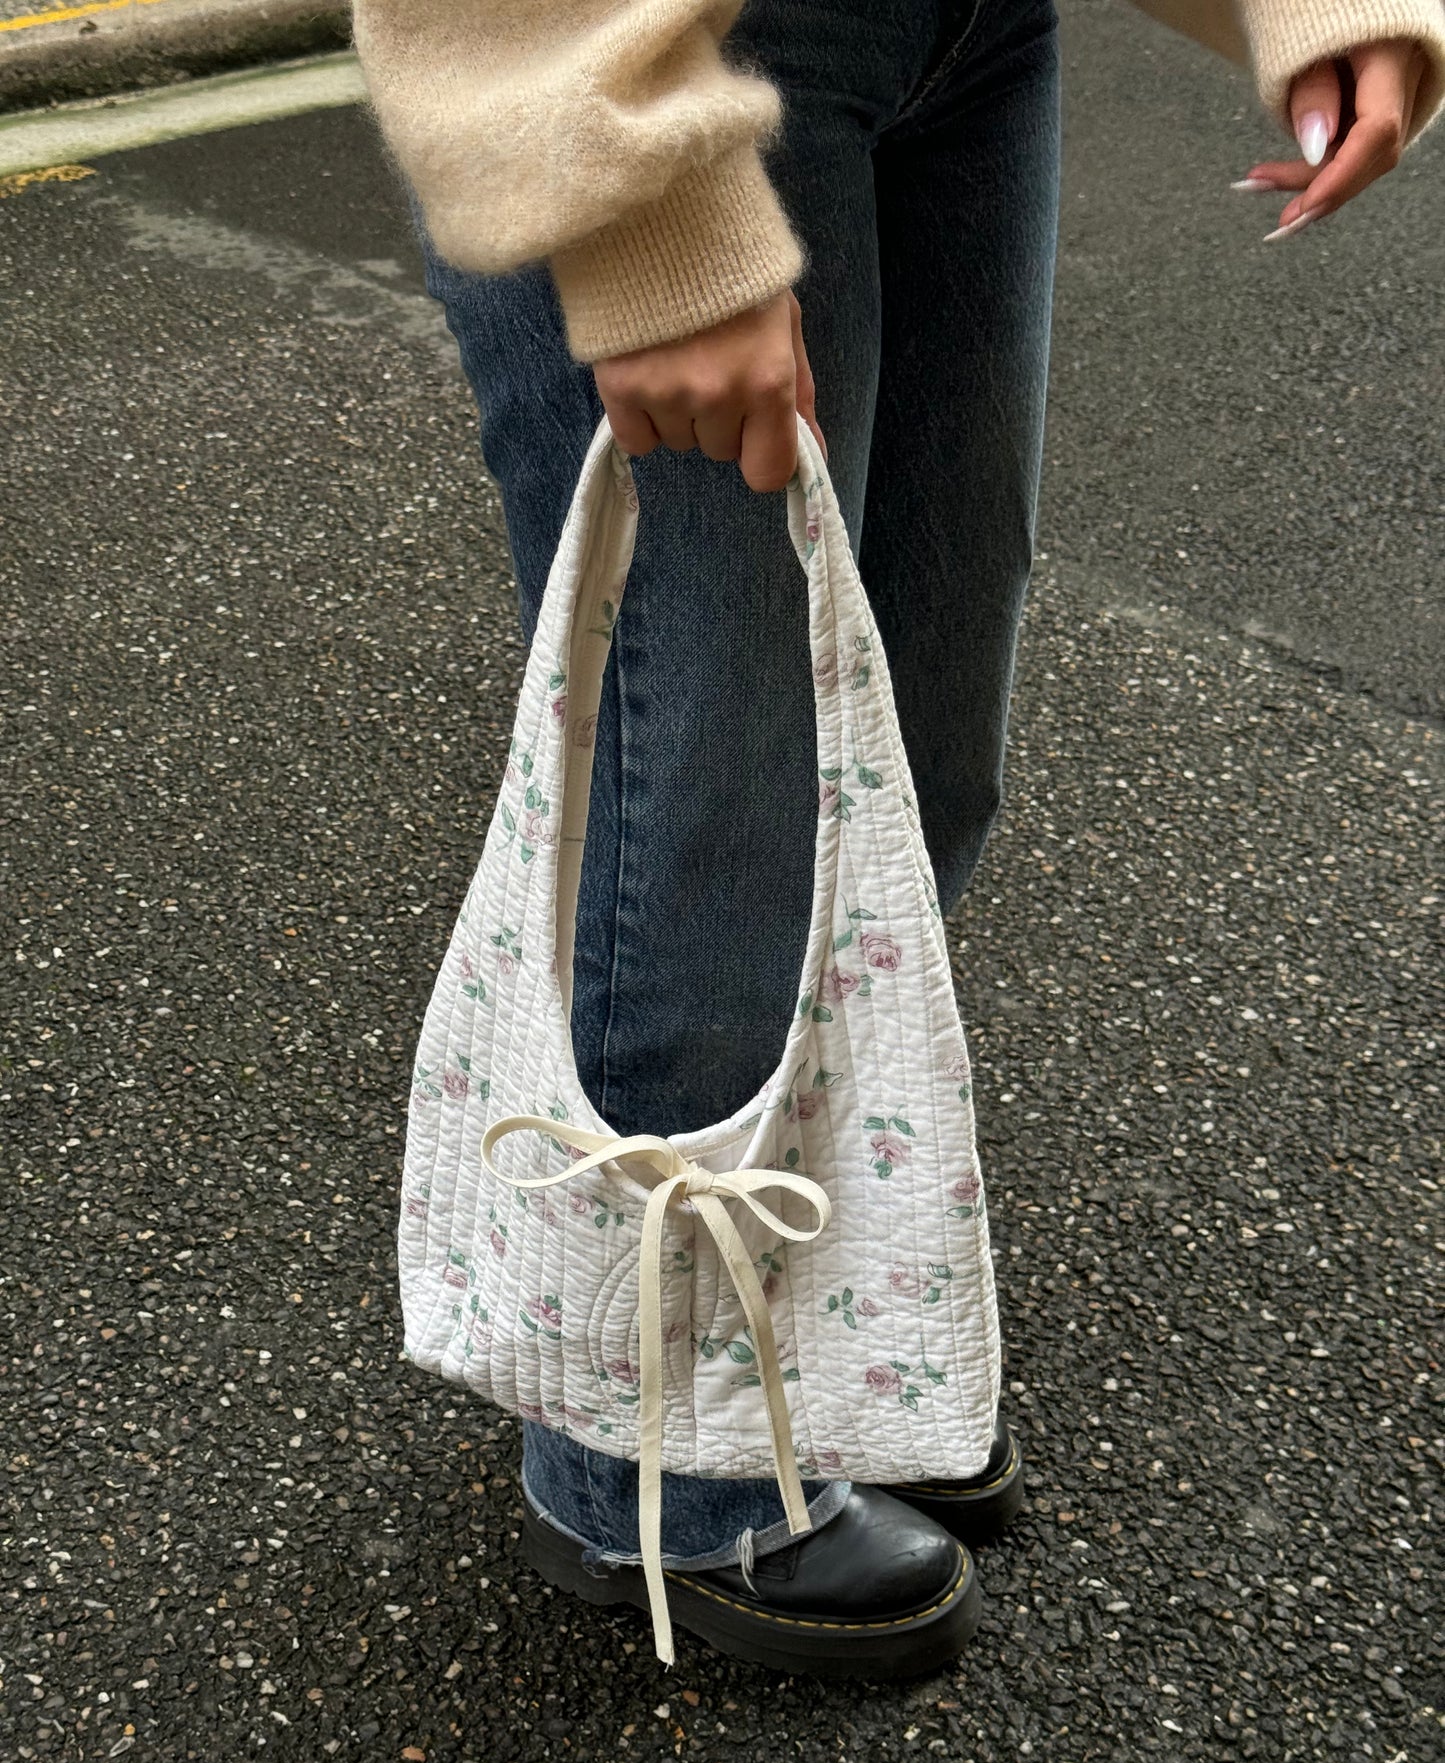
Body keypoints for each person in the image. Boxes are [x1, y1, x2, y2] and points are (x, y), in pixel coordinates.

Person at [352, 0, 1445, 1676]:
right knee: (719, 780)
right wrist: (638, 202)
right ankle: (649, 1463)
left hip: (971, 32)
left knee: (910, 742)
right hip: (674, 38)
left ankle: (792, 1345)